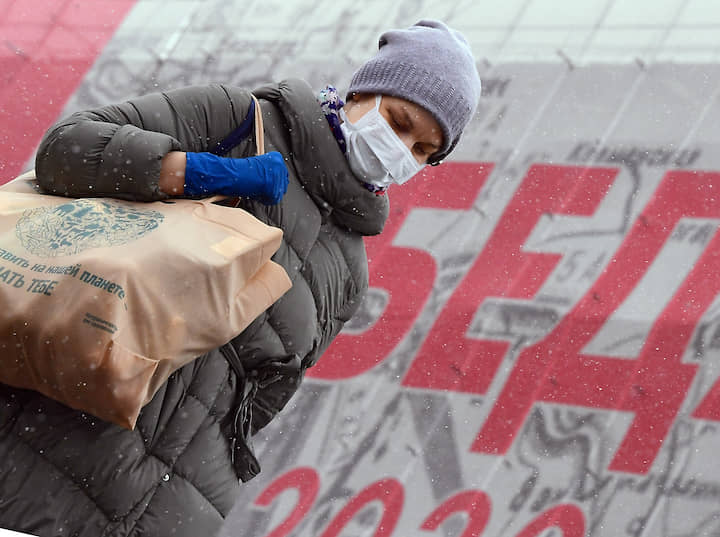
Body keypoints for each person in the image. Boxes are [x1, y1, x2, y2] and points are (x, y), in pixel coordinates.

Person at [0, 19, 480, 537]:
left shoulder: (349, 270)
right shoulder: (239, 120)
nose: (401, 152)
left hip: (165, 510)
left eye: (424, 152)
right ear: (363, 91)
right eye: (400, 122)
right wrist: (207, 173)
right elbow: (67, 150)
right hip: (38, 458)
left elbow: (255, 405)